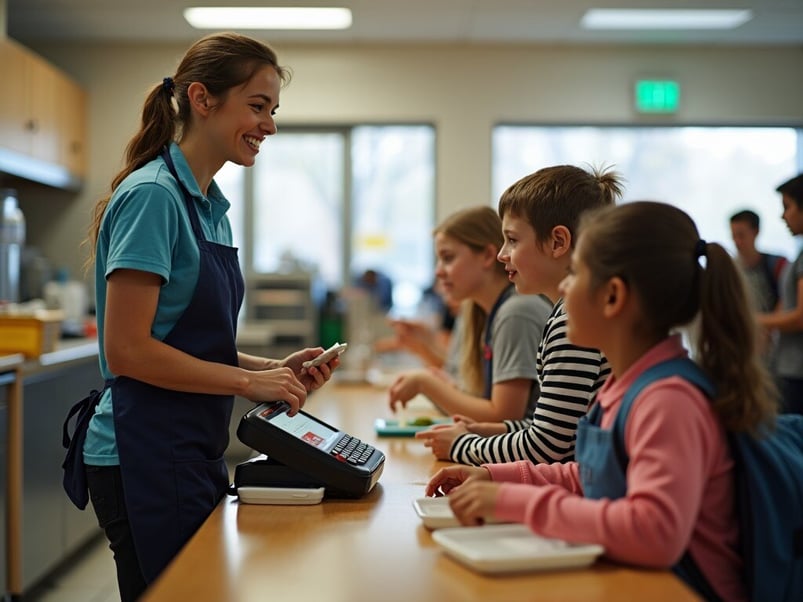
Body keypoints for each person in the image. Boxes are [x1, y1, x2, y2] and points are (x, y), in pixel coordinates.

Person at [75, 33, 340, 601]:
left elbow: (179, 337)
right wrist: (248, 381)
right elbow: (128, 350)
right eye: (257, 106)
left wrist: (270, 368)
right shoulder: (154, 197)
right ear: (202, 98)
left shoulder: (209, 203)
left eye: (273, 111)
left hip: (187, 446)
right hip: (140, 450)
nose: (269, 125)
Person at [426, 201, 779, 602]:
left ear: (612, 297)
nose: (562, 287)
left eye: (575, 273)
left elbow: (653, 532)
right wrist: (497, 477)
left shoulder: (667, 400)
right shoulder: (626, 386)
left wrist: (514, 501)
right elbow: (595, 475)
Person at [416, 164, 618, 463]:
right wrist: (490, 431)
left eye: (512, 240)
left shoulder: (572, 322)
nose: (502, 254)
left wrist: (463, 447)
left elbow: (549, 446)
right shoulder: (564, 314)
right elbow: (554, 428)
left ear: (558, 242)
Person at [387, 206, 552, 422]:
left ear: (487, 256)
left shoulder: (516, 312)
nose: (438, 271)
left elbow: (503, 417)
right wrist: (439, 382)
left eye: (448, 258)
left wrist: (426, 384)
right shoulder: (483, 310)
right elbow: (473, 393)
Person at [758, 173, 803, 414]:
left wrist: (754, 319)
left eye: (788, 207)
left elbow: (800, 317)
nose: (783, 216)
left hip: (797, 373)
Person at [729, 209, 788, 312]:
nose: (737, 242)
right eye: (734, 236)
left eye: (741, 235)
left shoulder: (777, 264)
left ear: (756, 232)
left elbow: (786, 299)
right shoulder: (729, 270)